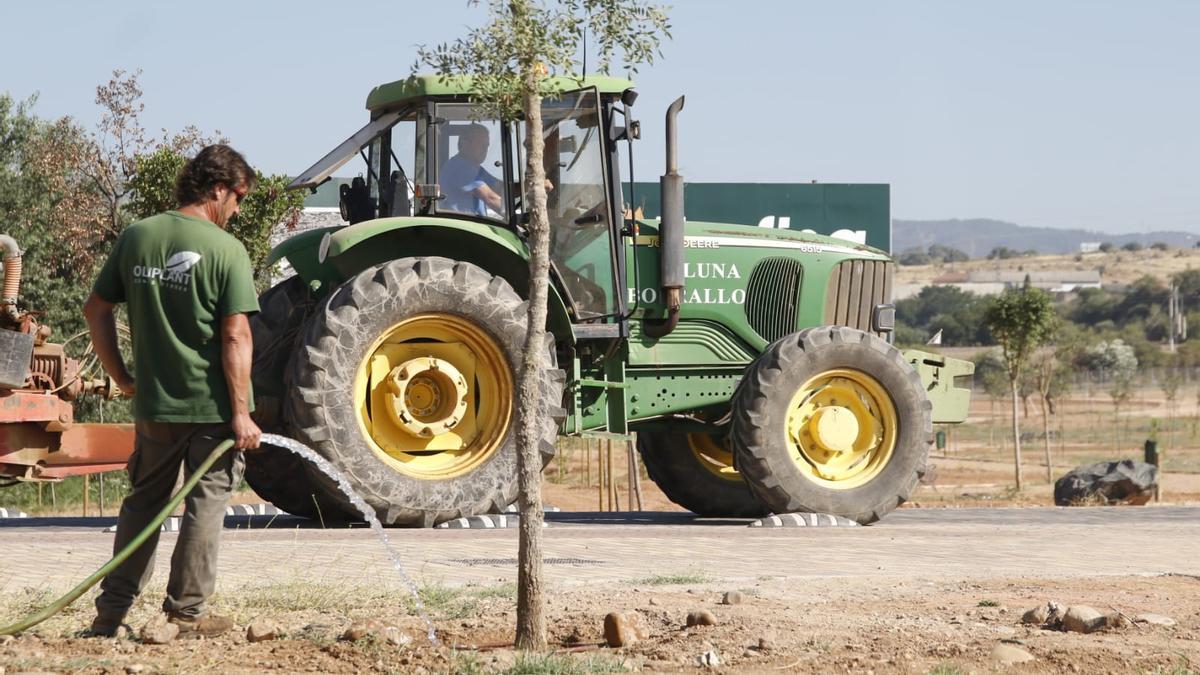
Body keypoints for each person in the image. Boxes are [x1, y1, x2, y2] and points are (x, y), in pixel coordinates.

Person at [82, 144, 262, 638]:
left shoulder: (138, 236)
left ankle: (110, 615)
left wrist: (121, 378)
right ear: (219, 189)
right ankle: (186, 617)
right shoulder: (227, 251)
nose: (238, 210)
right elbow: (235, 336)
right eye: (239, 197)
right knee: (204, 506)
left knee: (144, 504)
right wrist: (242, 414)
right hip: (211, 411)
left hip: (155, 406)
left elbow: (95, 309)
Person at [439, 123, 505, 217]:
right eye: (481, 145)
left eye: (486, 146)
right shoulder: (460, 167)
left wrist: (527, 185)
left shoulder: (475, 168)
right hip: (462, 225)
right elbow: (490, 198)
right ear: (465, 143)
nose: (485, 149)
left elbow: (501, 188)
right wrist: (514, 218)